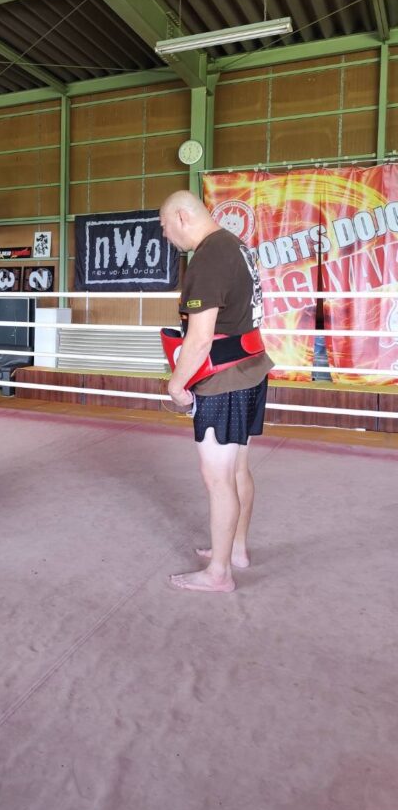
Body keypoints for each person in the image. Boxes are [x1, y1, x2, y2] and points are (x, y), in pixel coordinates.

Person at [159, 190, 274, 593]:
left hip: (224, 381)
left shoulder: (208, 257)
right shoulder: (236, 246)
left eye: (164, 225)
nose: (165, 233)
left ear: (181, 217)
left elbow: (200, 339)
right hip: (252, 369)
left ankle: (219, 573)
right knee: (237, 469)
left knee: (218, 478)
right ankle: (236, 550)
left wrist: (176, 385)